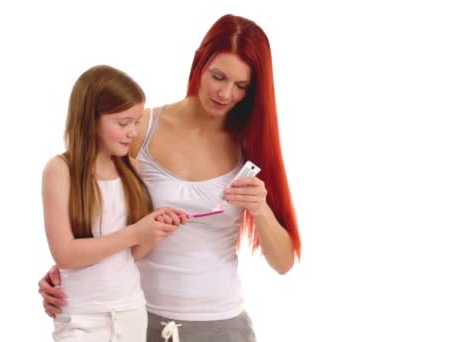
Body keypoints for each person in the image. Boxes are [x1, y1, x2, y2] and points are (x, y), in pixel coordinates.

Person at [39, 14, 302, 341]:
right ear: (198, 63)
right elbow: (91, 211)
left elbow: (284, 263)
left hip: (221, 325)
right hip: (135, 321)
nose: (225, 93)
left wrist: (260, 208)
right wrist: (66, 276)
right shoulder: (139, 129)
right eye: (218, 76)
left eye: (241, 86)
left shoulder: (251, 145)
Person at [42, 64, 185, 341]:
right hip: (81, 316)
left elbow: (133, 254)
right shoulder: (60, 170)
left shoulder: (131, 169)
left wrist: (154, 231)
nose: (133, 132)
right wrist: (134, 233)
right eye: (123, 123)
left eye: (136, 122)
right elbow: (65, 254)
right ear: (89, 119)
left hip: (131, 311)